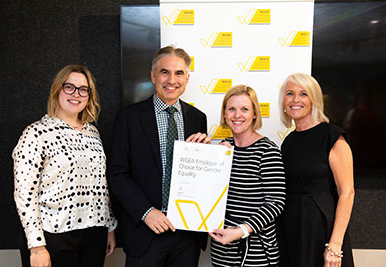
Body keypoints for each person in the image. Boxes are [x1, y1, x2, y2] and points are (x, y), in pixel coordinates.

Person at [108, 45, 210, 267]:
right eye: (165, 72)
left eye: (179, 73)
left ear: (187, 78)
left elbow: (200, 176)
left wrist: (209, 155)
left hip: (186, 234)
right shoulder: (129, 118)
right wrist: (146, 212)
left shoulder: (197, 118)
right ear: (153, 76)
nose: (172, 79)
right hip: (145, 231)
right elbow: (117, 174)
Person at [12, 65, 117, 267]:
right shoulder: (36, 133)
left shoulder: (93, 133)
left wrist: (110, 227)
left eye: (83, 89)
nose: (76, 94)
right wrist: (36, 247)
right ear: (57, 90)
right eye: (69, 87)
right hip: (53, 236)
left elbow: (101, 186)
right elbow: (24, 193)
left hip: (94, 234)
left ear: (89, 95)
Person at [277, 73, 355, 267]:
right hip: (291, 229)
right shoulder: (288, 142)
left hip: (321, 229)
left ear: (314, 100)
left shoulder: (332, 136)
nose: (296, 100)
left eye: (303, 94)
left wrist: (335, 245)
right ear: (283, 102)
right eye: (290, 94)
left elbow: (347, 193)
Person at [210, 85, 286, 267]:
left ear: (254, 114)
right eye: (231, 109)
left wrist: (240, 231)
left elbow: (276, 203)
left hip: (256, 252)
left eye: (244, 109)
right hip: (221, 249)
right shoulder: (221, 149)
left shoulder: (267, 151)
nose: (237, 115)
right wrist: (214, 161)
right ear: (224, 114)